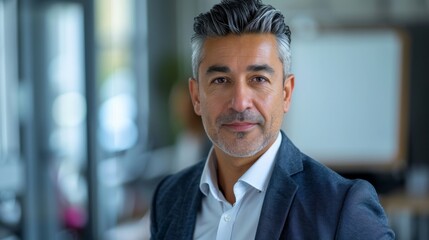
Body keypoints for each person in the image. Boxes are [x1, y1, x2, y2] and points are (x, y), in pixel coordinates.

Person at [150, 0, 395, 239]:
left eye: (258, 79)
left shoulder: (342, 207)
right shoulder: (169, 197)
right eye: (221, 81)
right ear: (196, 97)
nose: (239, 102)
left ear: (286, 93)